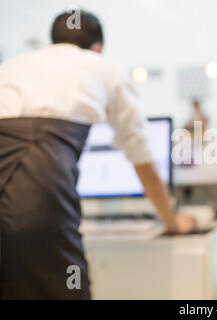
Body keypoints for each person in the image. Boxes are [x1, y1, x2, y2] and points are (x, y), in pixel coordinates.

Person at [0, 10, 195, 299]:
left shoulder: (12, 66)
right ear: (98, 47)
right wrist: (172, 222)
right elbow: (141, 157)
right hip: (37, 187)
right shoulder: (104, 67)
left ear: (52, 40)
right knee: (68, 287)